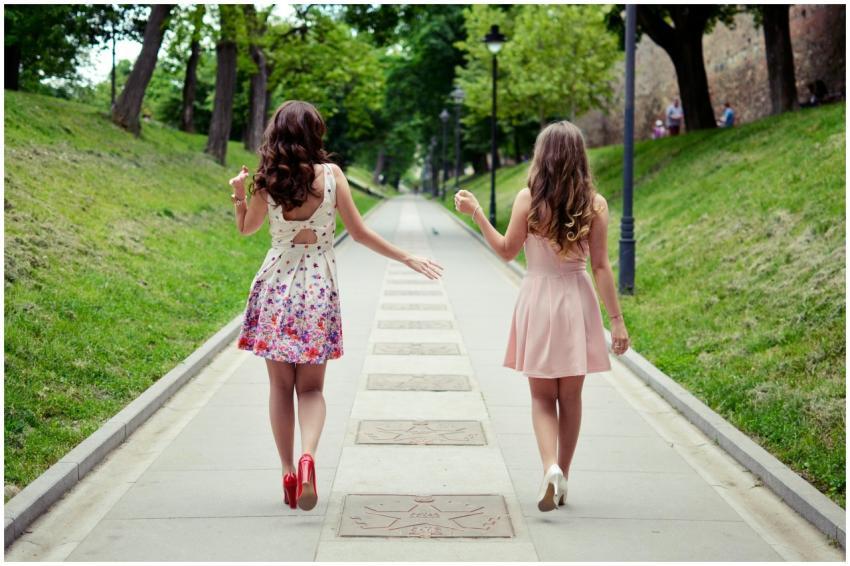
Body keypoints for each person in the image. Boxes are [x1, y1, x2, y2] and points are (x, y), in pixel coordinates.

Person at [228, 100, 443, 511]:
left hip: (276, 287)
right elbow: (359, 234)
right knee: (311, 389)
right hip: (318, 291)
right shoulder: (332, 177)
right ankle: (309, 456)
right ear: (314, 134)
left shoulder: (266, 181)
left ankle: (288, 471)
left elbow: (246, 229)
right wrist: (407, 257)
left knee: (279, 387)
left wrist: (239, 197)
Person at [453, 121, 630, 511]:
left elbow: (505, 250)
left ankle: (549, 466)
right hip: (578, 300)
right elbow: (601, 267)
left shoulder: (528, 199)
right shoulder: (594, 204)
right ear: (580, 157)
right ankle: (562, 474)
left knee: (541, 396)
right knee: (571, 397)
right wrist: (616, 321)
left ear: (542, 156)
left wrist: (477, 213)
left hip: (538, 298)